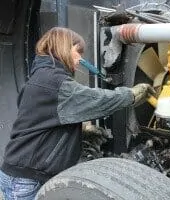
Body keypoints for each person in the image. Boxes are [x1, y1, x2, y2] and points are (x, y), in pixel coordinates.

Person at [0, 27, 155, 200]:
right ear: (63, 48)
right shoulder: (55, 82)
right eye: (77, 51)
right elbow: (97, 100)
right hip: (27, 179)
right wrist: (131, 95)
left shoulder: (40, 77)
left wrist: (79, 134)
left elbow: (41, 124)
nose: (80, 58)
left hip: (20, 172)